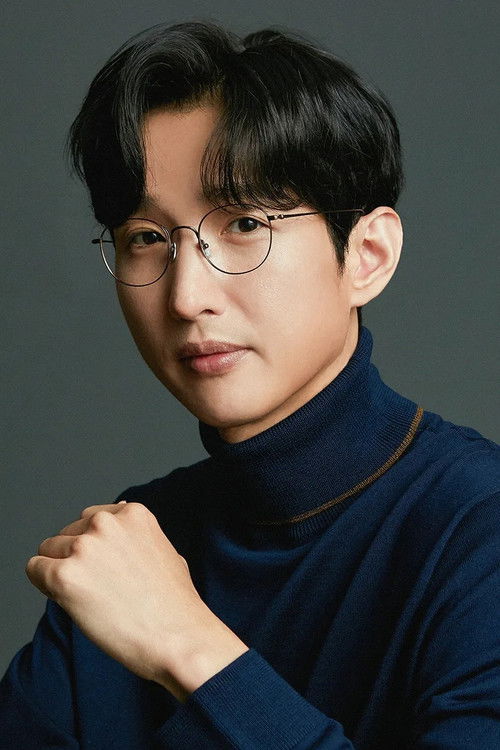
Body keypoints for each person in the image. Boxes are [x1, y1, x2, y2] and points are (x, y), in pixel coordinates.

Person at [0, 20, 498, 749]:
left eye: (242, 225)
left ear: (367, 256)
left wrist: (189, 647)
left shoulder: (477, 529)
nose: (186, 296)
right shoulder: (132, 543)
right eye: (147, 238)